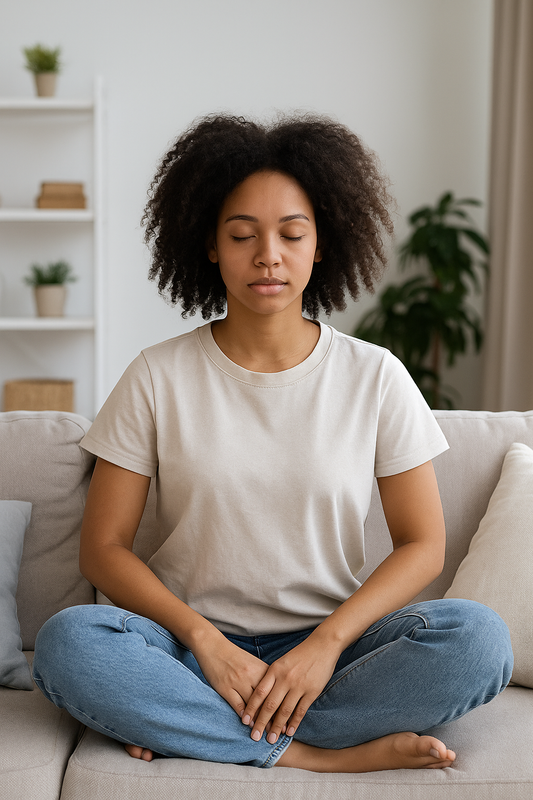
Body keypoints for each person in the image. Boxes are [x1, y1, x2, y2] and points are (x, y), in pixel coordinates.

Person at [32, 113, 513, 773]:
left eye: (291, 234)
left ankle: (195, 725)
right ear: (208, 245)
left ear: (322, 244)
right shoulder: (156, 374)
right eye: (242, 235)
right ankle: (314, 756)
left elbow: (422, 545)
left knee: (478, 640)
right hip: (189, 649)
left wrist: (325, 645)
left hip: (331, 650)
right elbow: (103, 549)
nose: (267, 256)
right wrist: (203, 640)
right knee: (71, 644)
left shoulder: (373, 376)